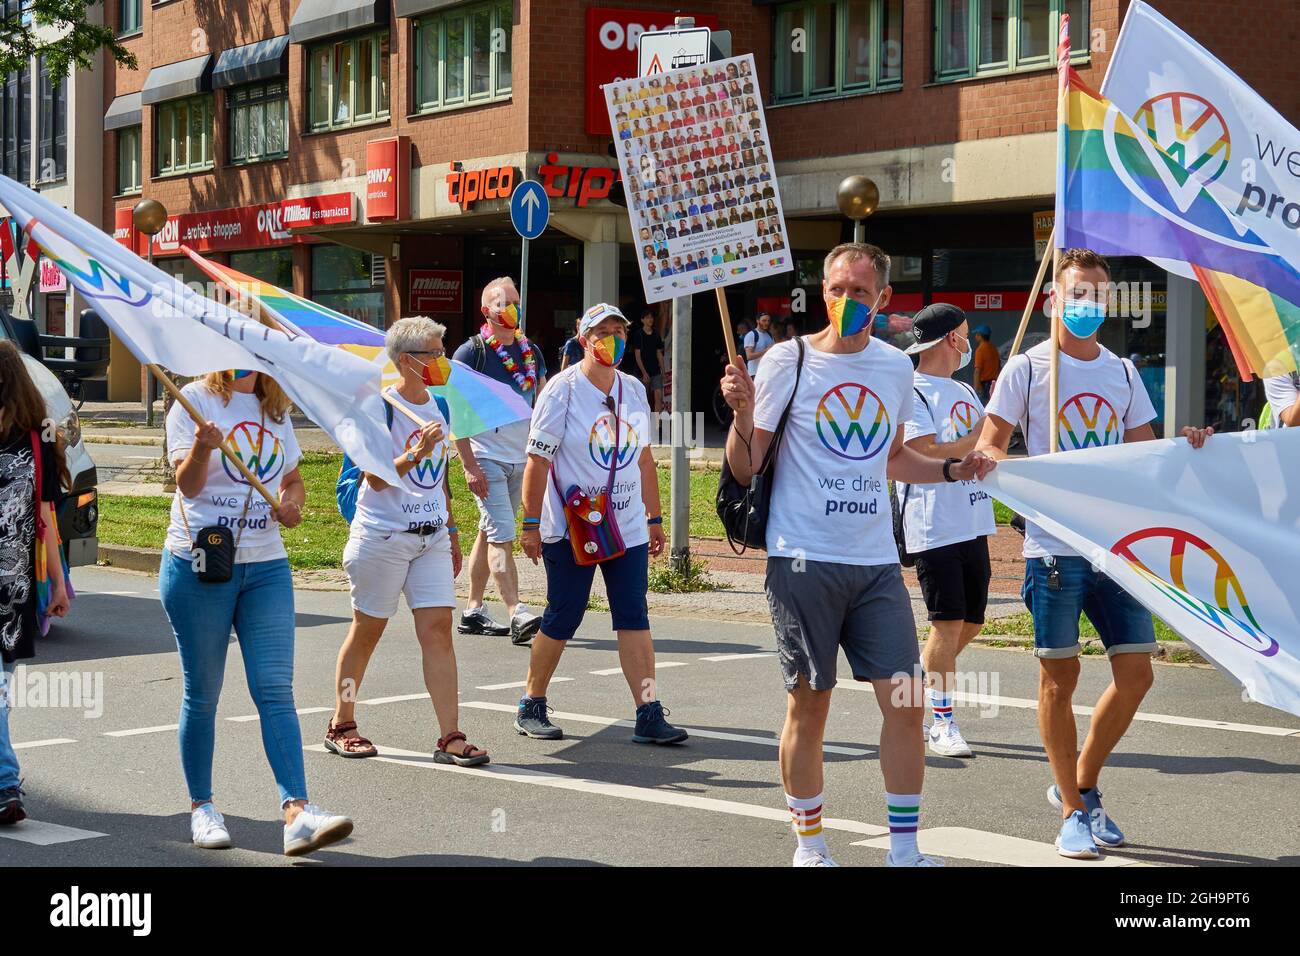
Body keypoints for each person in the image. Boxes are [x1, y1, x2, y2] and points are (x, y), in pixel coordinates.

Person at [721, 243, 995, 867]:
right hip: (802, 558)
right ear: (823, 292)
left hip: (874, 563)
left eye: (860, 291)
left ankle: (904, 850)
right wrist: (741, 411)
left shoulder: (895, 369)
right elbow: (747, 465)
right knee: (809, 704)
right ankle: (810, 845)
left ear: (882, 299)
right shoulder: (786, 361)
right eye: (837, 289)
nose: (847, 300)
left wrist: (953, 469)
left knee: (906, 701)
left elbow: (892, 458)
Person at [976, 248, 1212, 859]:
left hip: (1114, 551)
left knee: (1136, 673)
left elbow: (1144, 456)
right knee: (1061, 676)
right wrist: (1040, 481)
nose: (1085, 306)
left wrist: (1190, 445)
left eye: (1095, 296)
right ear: (1054, 299)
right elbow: (990, 451)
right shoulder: (1026, 371)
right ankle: (1074, 814)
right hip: (1053, 547)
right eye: (1075, 294)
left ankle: (1077, 786)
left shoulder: (1122, 373)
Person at [162, 358, 352, 855]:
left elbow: (291, 479)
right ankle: (202, 807)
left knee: (274, 688)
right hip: (201, 561)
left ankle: (297, 813)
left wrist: (292, 503)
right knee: (203, 693)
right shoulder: (193, 400)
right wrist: (202, 449)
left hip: (266, 564)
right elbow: (188, 486)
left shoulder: (275, 408)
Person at [513, 303, 686, 745]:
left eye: (618, 331)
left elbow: (644, 458)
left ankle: (648, 711)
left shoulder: (633, 389)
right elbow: (537, 461)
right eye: (602, 331)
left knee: (634, 616)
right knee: (564, 614)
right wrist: (530, 523)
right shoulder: (562, 390)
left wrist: (654, 517)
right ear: (583, 337)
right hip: (575, 525)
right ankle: (531, 702)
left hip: (625, 524)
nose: (612, 339)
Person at [325, 318, 488, 766]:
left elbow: (441, 480)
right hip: (382, 536)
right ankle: (342, 722)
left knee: (437, 632)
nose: (443, 360)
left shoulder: (439, 405)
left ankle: (450, 736)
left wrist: (452, 532)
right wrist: (415, 451)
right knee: (367, 632)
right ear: (406, 361)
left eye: (443, 349)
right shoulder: (378, 407)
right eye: (435, 353)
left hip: (430, 536)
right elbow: (375, 478)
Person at [897, 304, 996, 758]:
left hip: (973, 519)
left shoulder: (963, 389)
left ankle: (917, 685)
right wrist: (979, 435)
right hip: (934, 524)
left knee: (971, 622)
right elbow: (922, 453)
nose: (969, 341)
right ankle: (941, 721)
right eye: (964, 334)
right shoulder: (913, 392)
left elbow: (986, 450)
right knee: (947, 622)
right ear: (948, 340)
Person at [453, 277, 548, 644]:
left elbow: (541, 404)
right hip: (486, 458)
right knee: (503, 535)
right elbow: (456, 414)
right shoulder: (470, 353)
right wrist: (468, 464)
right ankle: (516, 611)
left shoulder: (532, 352)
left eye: (516, 302)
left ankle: (473, 609)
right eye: (503, 302)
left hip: (520, 459)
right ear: (486, 311)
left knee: (488, 529)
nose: (512, 309)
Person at [0, 341, 71, 825]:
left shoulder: (37, 439)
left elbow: (47, 515)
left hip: (11, 591)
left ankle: (5, 785)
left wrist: (60, 584)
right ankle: (5, 784)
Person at [631, 310, 666, 414]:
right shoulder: (639, 334)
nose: (650, 320)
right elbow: (637, 356)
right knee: (643, 399)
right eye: (647, 317)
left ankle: (656, 425)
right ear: (642, 320)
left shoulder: (656, 333)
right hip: (642, 372)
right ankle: (644, 425)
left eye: (651, 317)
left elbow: (659, 353)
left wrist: (663, 370)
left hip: (655, 370)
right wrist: (644, 372)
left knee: (658, 396)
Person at [972, 324, 1001, 403]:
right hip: (994, 383)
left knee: (982, 409)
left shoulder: (980, 350)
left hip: (983, 386)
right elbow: (999, 367)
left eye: (976, 334)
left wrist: (976, 387)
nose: (975, 337)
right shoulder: (994, 349)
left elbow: (977, 370)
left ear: (980, 336)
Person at [743, 312, 774, 377]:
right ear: (757, 321)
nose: (767, 323)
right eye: (764, 320)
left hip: (767, 372)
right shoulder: (751, 335)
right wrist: (766, 350)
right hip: (755, 373)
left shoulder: (770, 335)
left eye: (768, 321)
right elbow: (749, 356)